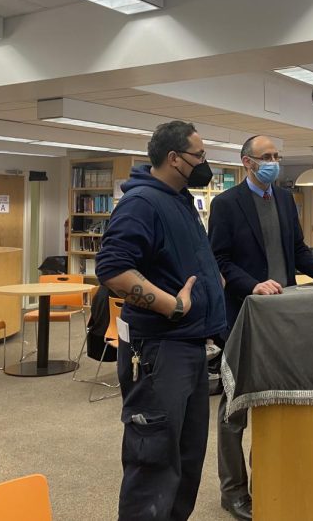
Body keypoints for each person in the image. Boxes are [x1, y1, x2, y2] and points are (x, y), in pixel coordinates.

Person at [208, 134, 313, 520]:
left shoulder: (286, 199)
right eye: (266, 156)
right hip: (244, 315)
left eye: (277, 155)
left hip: (284, 318)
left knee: (276, 399)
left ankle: (268, 478)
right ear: (247, 163)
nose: (274, 161)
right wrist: (251, 284)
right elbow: (218, 260)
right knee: (234, 406)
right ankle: (233, 490)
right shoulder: (226, 205)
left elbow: (298, 252)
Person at [95, 120, 227, 521]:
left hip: (189, 348)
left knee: (185, 461)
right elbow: (113, 269)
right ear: (174, 158)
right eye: (199, 155)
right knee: (153, 463)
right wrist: (171, 304)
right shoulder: (142, 203)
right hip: (158, 353)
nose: (204, 163)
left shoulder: (179, 198)